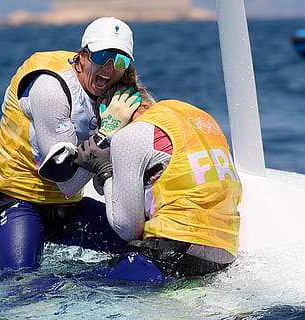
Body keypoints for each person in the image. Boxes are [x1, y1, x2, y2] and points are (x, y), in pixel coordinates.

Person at [0, 17, 142, 271]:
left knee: (146, 252)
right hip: (22, 204)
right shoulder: (51, 87)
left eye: (121, 61)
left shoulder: (116, 90)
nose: (110, 68)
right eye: (102, 56)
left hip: (71, 210)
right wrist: (107, 132)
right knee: (21, 287)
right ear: (82, 56)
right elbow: (66, 183)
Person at [75, 83, 242, 281]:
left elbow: (126, 229)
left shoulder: (131, 135)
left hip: (173, 255)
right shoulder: (195, 116)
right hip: (224, 256)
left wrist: (105, 170)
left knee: (65, 285)